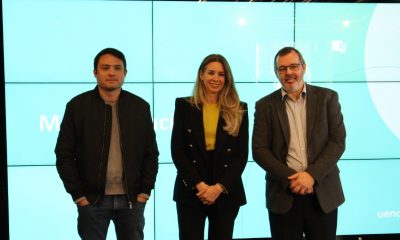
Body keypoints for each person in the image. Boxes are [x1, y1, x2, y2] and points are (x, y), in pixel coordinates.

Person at [55, 48, 159, 240]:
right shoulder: (77, 106)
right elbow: (64, 154)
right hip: (92, 201)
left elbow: (151, 153)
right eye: (105, 68)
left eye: (117, 68)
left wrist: (144, 192)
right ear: (95, 72)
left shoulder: (140, 107)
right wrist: (79, 196)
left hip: (131, 201)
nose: (111, 73)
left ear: (125, 73)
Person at [252, 46, 346, 240]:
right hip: (283, 194)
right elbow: (259, 150)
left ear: (304, 67)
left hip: (323, 194)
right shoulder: (264, 106)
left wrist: (311, 175)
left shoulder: (328, 98)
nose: (288, 73)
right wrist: (293, 179)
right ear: (277, 73)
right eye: (282, 68)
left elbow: (337, 142)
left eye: (293, 66)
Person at [171, 54, 248, 240]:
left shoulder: (239, 108)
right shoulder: (184, 105)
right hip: (191, 189)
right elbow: (178, 151)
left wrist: (218, 188)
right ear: (201, 75)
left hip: (226, 190)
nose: (216, 78)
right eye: (211, 72)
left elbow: (241, 155)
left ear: (227, 78)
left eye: (221, 74)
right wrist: (200, 186)